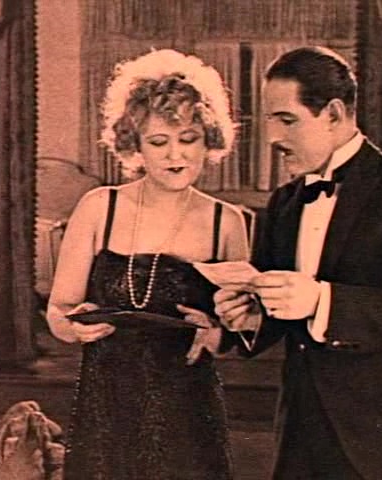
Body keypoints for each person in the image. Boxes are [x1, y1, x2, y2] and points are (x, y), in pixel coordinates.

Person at [214, 46, 382, 479]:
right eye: (269, 120)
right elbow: (276, 314)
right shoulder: (285, 201)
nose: (272, 137)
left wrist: (321, 301)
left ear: (334, 113)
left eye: (286, 120)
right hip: (301, 431)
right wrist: (249, 318)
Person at [46, 49, 249, 479]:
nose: (176, 155)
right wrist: (75, 326)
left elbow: (235, 329)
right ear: (134, 145)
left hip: (188, 411)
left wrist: (215, 333)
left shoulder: (227, 223)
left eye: (188, 138)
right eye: (159, 142)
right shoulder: (99, 208)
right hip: (106, 406)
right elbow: (58, 312)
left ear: (208, 139)